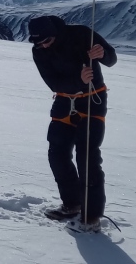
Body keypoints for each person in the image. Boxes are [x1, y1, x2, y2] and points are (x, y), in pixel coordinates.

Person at [28, 15, 117, 233]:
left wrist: (102, 54)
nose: (43, 46)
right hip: (63, 102)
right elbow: (53, 82)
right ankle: (72, 204)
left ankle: (92, 216)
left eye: (46, 41)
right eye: (38, 43)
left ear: (54, 33)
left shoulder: (82, 34)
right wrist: (79, 81)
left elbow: (112, 58)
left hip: (92, 101)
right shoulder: (39, 51)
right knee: (57, 153)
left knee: (87, 156)